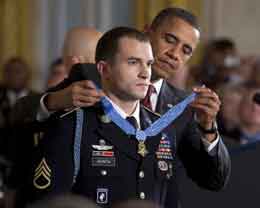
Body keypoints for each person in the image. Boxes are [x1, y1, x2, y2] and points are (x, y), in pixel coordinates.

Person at [30, 26, 230, 208]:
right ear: (104, 69)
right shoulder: (74, 124)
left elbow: (172, 197)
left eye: (149, 64)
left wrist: (208, 127)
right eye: (133, 62)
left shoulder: (162, 126)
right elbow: (52, 203)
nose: (145, 73)